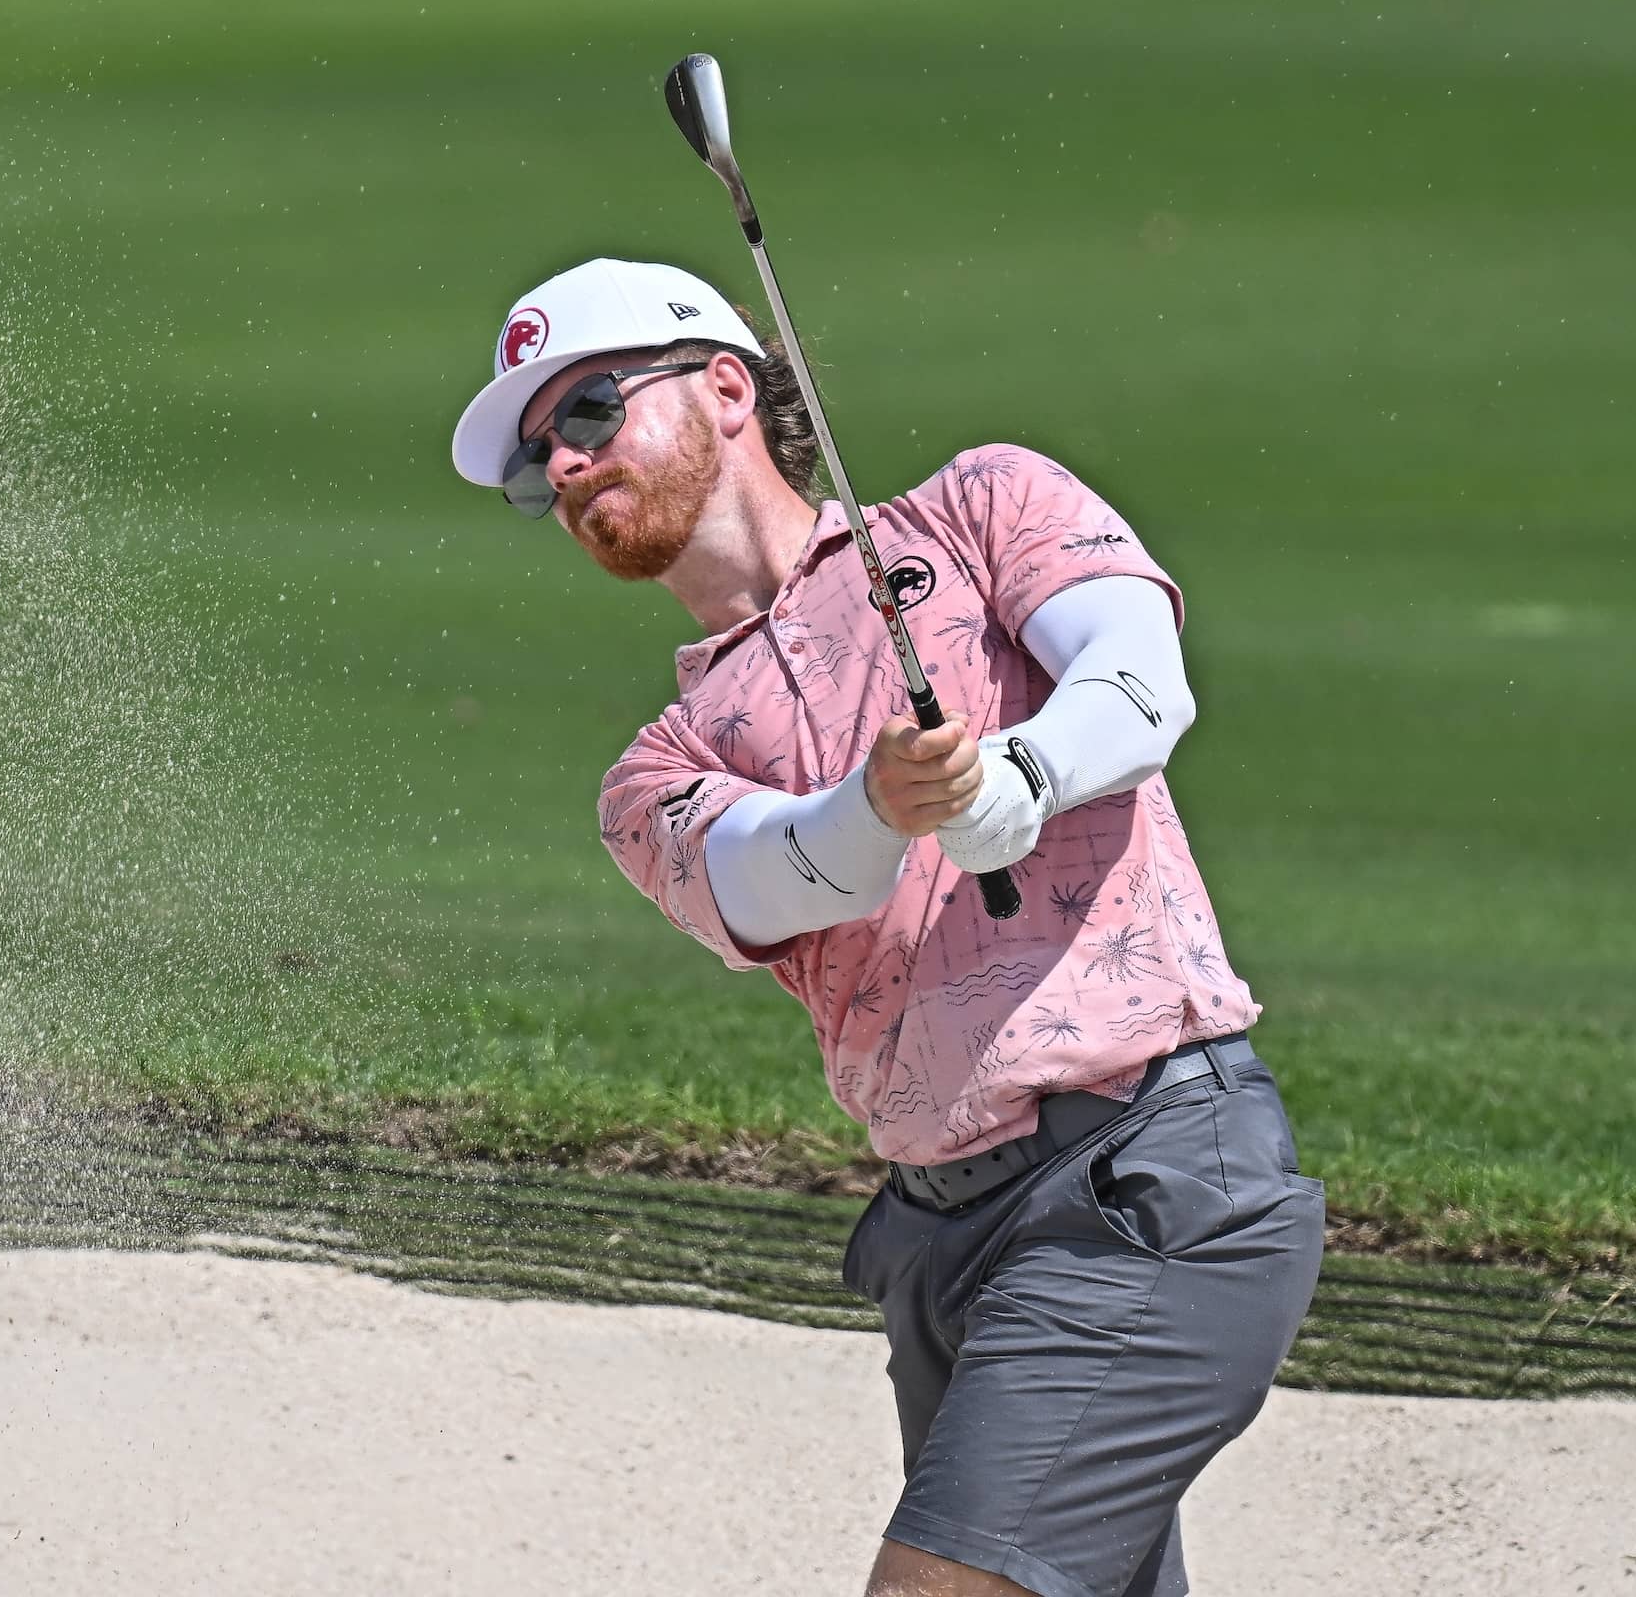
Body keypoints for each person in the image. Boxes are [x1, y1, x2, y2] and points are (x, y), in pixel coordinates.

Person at [450, 256, 1326, 1597]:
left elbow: (1139, 682)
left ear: (726, 387)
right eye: (533, 467)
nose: (561, 471)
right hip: (943, 1249)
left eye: (585, 417)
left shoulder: (982, 508)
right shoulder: (655, 774)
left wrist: (1021, 780)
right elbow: (777, 875)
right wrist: (886, 803)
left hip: (1148, 1180)